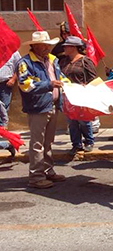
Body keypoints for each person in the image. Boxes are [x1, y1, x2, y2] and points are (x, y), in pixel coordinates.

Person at [18, 31, 69, 189]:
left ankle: (48, 170)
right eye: (44, 44)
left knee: (48, 142)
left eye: (49, 44)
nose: (48, 47)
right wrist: (49, 85)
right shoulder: (25, 63)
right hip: (37, 108)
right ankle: (36, 176)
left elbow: (61, 79)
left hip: (52, 105)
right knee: (37, 144)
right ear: (34, 46)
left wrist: (70, 87)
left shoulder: (53, 60)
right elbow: (25, 85)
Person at [62, 36, 98, 154]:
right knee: (71, 120)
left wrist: (86, 86)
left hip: (82, 94)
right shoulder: (63, 61)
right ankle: (76, 143)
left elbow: (93, 78)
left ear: (74, 47)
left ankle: (89, 141)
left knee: (83, 119)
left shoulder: (85, 61)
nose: (64, 48)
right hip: (68, 94)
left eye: (67, 46)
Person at [0, 50, 20, 158]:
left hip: (5, 84)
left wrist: (13, 79)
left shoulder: (13, 51)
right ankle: (5, 144)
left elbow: (19, 66)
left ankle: (3, 137)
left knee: (3, 110)